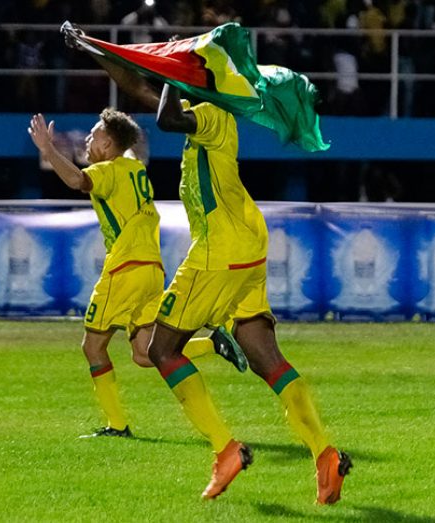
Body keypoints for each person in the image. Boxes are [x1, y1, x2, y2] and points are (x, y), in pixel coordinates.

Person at [68, 31, 351, 504]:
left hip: (220, 246)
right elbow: (143, 91)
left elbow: (163, 112)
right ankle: (324, 453)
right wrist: (100, 51)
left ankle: (227, 449)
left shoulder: (211, 114)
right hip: (248, 242)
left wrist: (171, 69)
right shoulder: (211, 108)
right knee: (265, 355)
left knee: (160, 351)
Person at [27, 108, 247, 438]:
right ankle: (214, 344)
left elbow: (76, 180)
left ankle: (117, 426)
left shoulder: (109, 169)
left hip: (126, 268)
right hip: (151, 269)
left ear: (108, 143)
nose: (87, 140)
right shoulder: (134, 167)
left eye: (94, 135)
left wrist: (48, 150)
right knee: (145, 354)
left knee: (93, 348)